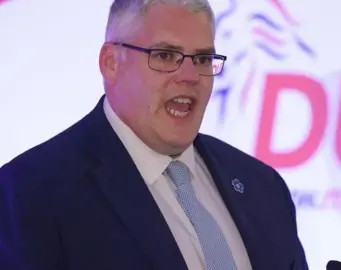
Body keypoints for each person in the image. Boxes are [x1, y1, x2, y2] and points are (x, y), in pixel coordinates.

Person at [0, 0, 308, 269]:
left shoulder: (261, 186)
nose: (189, 76)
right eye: (164, 55)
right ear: (111, 63)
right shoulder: (29, 192)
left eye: (201, 59)